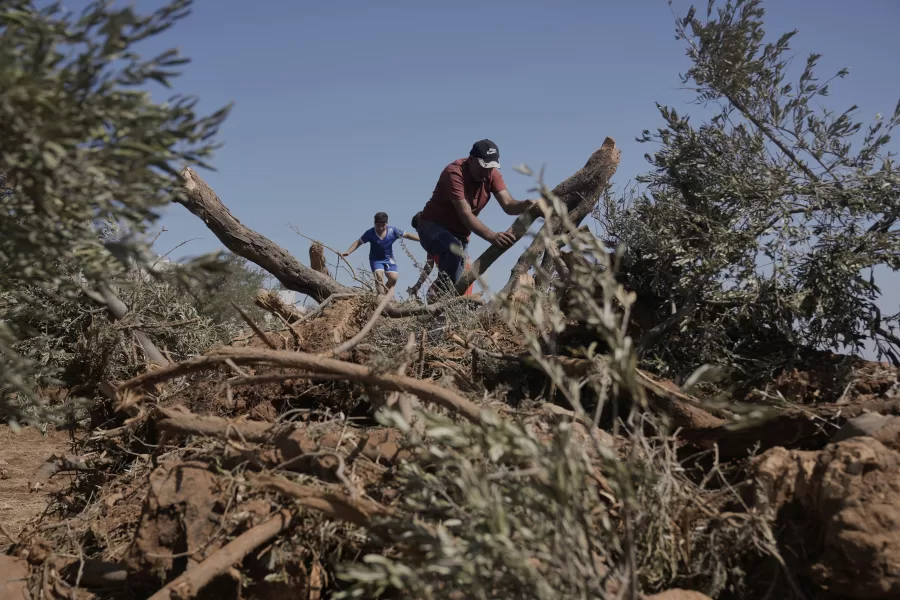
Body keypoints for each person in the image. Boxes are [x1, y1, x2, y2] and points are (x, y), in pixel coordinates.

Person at [413, 139, 536, 297]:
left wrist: (526, 204)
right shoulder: (455, 173)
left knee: (457, 284)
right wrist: (492, 236)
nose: (486, 173)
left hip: (460, 236)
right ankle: (438, 306)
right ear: (471, 160)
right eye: (484, 167)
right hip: (431, 227)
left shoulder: (491, 175)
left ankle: (438, 305)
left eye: (490, 168)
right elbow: (465, 215)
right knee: (454, 252)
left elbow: (508, 204)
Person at [342, 212, 419, 294]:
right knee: (379, 278)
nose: (381, 228)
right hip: (376, 259)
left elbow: (407, 235)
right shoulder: (370, 233)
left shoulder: (393, 231)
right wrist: (348, 252)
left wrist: (421, 239)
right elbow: (358, 242)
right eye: (378, 225)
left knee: (394, 278)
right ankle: (380, 296)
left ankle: (384, 294)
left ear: (386, 223)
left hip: (388, 258)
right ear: (374, 223)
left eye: (383, 225)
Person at [407, 211, 473, 299]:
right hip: (445, 276)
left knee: (456, 300)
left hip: (462, 273)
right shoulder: (431, 242)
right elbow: (428, 267)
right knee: (431, 296)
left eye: (422, 227)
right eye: (418, 230)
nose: (421, 232)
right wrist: (417, 286)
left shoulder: (445, 236)